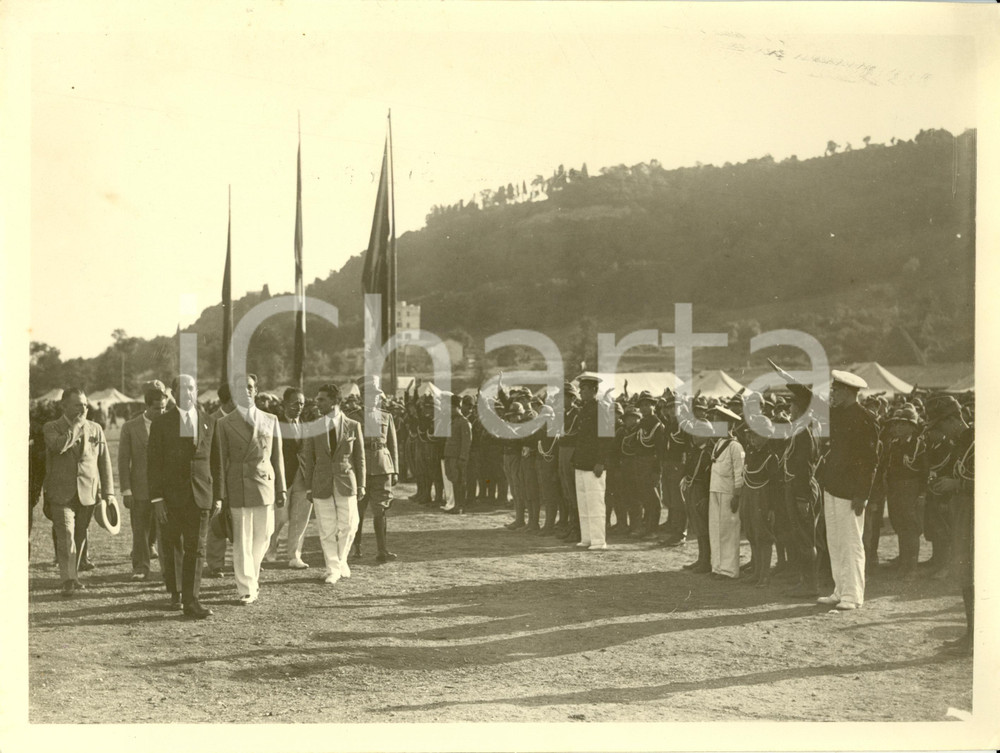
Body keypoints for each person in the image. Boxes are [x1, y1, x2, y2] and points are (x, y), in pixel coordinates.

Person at [147, 374, 223, 618]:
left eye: (192, 388)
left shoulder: (209, 422)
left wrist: (218, 497)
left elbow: (216, 463)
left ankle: (192, 600)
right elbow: (154, 464)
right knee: (172, 547)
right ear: (173, 393)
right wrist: (157, 499)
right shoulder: (162, 423)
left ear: (196, 391)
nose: (188, 393)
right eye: (182, 388)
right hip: (171, 498)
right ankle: (175, 593)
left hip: (201, 495)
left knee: (196, 548)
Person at [217, 374, 286, 605]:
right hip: (238, 485)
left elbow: (278, 457)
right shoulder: (224, 424)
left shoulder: (271, 420)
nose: (245, 391)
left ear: (256, 391)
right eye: (240, 388)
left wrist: (282, 488)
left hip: (265, 483)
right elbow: (220, 461)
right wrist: (222, 493)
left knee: (264, 536)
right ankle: (246, 587)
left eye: (249, 387)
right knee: (242, 540)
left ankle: (252, 575)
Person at [815, 371, 879, 611]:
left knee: (851, 542)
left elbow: (870, 460)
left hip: (851, 491)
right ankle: (840, 590)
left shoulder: (865, 419)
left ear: (849, 392)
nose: (833, 394)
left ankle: (853, 595)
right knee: (835, 541)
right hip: (832, 486)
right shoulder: (837, 414)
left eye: (837, 391)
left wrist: (862, 494)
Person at [43, 388, 116, 596]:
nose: (83, 409)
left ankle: (74, 576)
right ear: (64, 406)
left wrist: (109, 492)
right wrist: (75, 425)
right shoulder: (51, 427)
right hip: (61, 492)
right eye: (78, 405)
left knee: (80, 535)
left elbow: (104, 462)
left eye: (85, 405)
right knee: (65, 534)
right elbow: (58, 447)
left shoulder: (96, 428)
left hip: (88, 492)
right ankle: (67, 579)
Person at [300, 383, 366, 584]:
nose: (317, 403)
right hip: (321, 483)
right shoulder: (314, 427)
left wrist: (362, 484)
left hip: (346, 481)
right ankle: (333, 568)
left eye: (322, 399)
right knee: (326, 528)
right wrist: (309, 486)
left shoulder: (353, 425)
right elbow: (308, 458)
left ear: (335, 401)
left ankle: (340, 561)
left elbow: (360, 458)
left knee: (349, 525)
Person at [924, 395, 974, 656]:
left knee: (978, 576)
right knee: (966, 574)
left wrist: (957, 485)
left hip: (980, 519)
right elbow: (953, 470)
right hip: (963, 515)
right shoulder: (960, 444)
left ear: (955, 418)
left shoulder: (980, 440)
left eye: (942, 425)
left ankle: (977, 638)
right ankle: (971, 634)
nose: (940, 432)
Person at [118, 380, 170, 581]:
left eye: (164, 408)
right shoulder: (130, 427)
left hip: (165, 489)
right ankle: (140, 567)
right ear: (147, 406)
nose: (161, 412)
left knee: (166, 531)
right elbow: (123, 460)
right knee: (140, 530)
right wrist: (126, 490)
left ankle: (168, 569)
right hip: (140, 488)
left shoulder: (171, 423)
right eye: (157, 409)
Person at [348, 376, 400, 562]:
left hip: (382, 468)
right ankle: (357, 547)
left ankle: (382, 550)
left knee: (381, 510)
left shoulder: (387, 416)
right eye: (370, 395)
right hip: (360, 470)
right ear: (362, 396)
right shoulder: (352, 417)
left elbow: (393, 445)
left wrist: (395, 470)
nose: (375, 399)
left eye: (377, 395)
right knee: (358, 510)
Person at [780, 384, 822, 599]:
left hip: (801, 488)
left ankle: (811, 585)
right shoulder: (802, 429)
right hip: (798, 486)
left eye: (793, 404)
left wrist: (802, 497)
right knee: (801, 537)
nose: (790, 408)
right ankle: (805, 581)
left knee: (806, 539)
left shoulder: (804, 432)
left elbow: (804, 466)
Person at [266, 388, 312, 569]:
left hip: (302, 477)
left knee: (300, 518)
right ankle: (271, 546)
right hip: (282, 478)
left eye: (301, 403)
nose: (298, 407)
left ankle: (294, 555)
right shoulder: (275, 423)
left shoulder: (306, 425)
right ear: (284, 404)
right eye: (294, 403)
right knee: (279, 518)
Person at [882, 404, 928, 578]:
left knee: (911, 528)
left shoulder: (918, 445)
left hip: (911, 489)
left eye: (902, 424)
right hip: (895, 489)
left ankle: (912, 568)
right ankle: (903, 564)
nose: (897, 427)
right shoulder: (894, 444)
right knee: (900, 526)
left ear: (912, 427)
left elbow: (924, 472)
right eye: (896, 424)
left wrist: (922, 494)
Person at [571, 374, 612, 551]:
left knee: (595, 503)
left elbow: (606, 438)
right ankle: (587, 537)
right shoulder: (585, 408)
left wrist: (601, 462)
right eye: (580, 389)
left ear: (594, 391)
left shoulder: (600, 409)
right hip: (581, 461)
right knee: (584, 502)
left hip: (593, 464)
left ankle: (598, 540)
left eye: (584, 389)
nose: (580, 392)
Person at [707, 405, 744, 580]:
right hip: (715, 490)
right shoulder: (720, 444)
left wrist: (736, 496)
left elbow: (739, 473)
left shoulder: (735, 447)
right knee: (716, 530)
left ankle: (729, 570)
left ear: (729, 425)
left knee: (728, 532)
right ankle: (718, 567)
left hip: (728, 493)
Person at [204, 382, 236, 578]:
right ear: (230, 400)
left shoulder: (243, 419)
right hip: (216, 479)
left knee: (241, 522)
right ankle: (216, 564)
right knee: (216, 523)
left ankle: (246, 561)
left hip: (239, 478)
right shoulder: (210, 420)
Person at [441, 393, 471, 515]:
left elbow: (466, 442)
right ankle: (456, 505)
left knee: (459, 481)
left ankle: (460, 506)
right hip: (450, 456)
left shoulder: (463, 422)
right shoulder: (453, 421)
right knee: (454, 480)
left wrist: (462, 458)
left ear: (456, 407)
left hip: (457, 457)